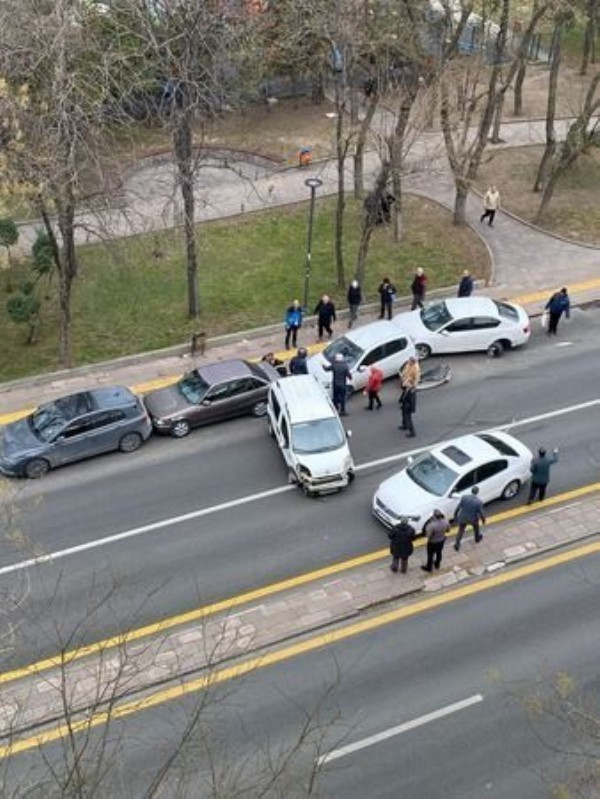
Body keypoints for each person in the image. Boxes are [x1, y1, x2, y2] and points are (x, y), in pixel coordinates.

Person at [454, 486, 486, 551]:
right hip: (473, 519)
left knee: (460, 531)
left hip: (462, 517)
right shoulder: (479, 502)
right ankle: (477, 539)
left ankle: (457, 544)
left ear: (471, 491)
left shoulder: (464, 497)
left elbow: (458, 507)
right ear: (477, 492)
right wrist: (483, 520)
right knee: (476, 529)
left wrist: (455, 515)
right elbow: (481, 513)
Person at [398, 356, 420, 437]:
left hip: (408, 406)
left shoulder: (411, 391)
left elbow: (412, 401)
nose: (408, 361)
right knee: (403, 414)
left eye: (410, 361)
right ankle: (405, 425)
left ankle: (412, 432)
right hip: (405, 404)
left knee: (408, 418)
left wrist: (408, 407)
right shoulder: (408, 365)